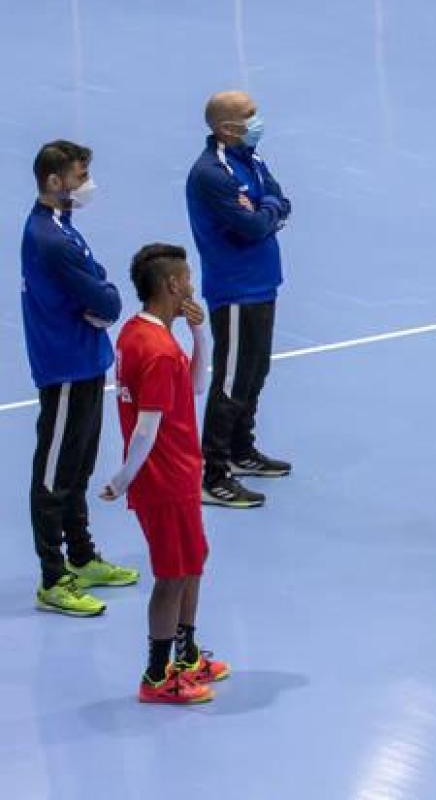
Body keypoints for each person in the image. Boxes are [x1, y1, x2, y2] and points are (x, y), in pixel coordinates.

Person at [99, 244, 232, 704]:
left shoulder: (138, 333)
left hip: (179, 472)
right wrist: (123, 479)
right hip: (165, 479)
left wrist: (199, 334)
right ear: (173, 284)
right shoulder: (157, 351)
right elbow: (146, 429)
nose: (192, 286)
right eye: (188, 278)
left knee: (193, 560)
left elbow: (195, 386)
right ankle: (156, 677)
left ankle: (186, 655)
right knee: (172, 574)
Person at [22, 140, 138, 617]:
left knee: (79, 466)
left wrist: (100, 292)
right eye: (79, 176)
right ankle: (53, 579)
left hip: (86, 360)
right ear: (55, 181)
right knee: (54, 475)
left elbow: (99, 281)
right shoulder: (50, 238)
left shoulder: (62, 227)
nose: (86, 184)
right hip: (65, 367)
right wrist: (103, 298)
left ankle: (83, 557)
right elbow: (107, 300)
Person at [186, 91, 293, 508]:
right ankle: (213, 475)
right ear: (226, 128)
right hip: (234, 290)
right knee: (231, 380)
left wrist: (265, 208)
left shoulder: (251, 158)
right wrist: (266, 213)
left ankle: (239, 449)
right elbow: (252, 227)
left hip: (263, 282)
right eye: (249, 116)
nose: (257, 120)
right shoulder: (212, 174)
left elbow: (280, 201)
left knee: (255, 371)